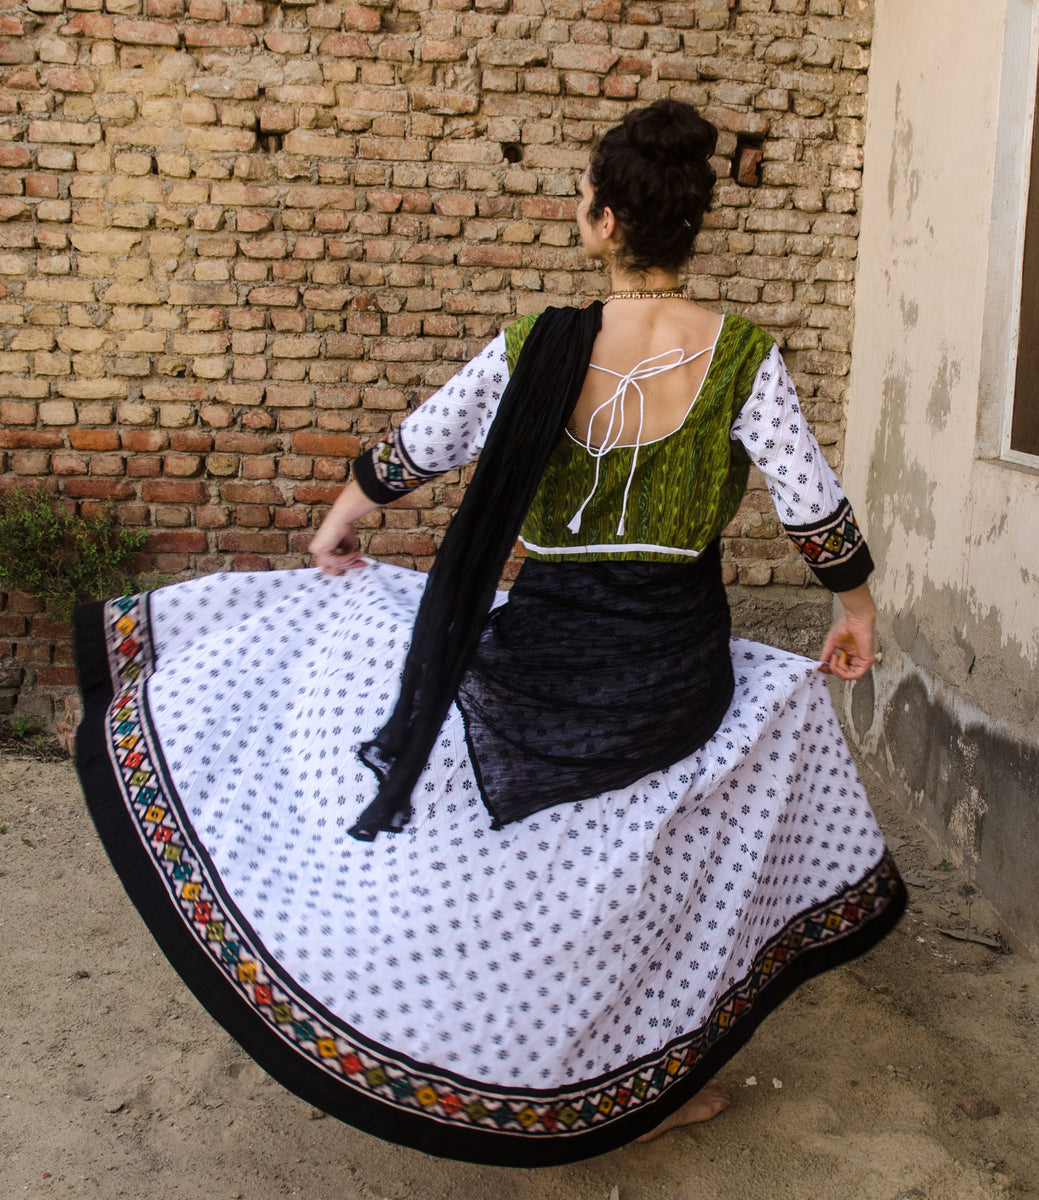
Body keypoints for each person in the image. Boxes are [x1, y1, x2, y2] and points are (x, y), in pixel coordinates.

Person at [75, 100, 905, 1167]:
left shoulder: (539, 345)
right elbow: (810, 502)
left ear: (602, 221)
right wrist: (855, 608)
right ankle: (644, 1071)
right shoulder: (745, 355)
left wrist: (341, 520)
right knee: (686, 830)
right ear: (691, 228)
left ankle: (500, 1048)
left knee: (412, 712)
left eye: (581, 200)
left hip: (543, 660)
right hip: (672, 670)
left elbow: (424, 443)